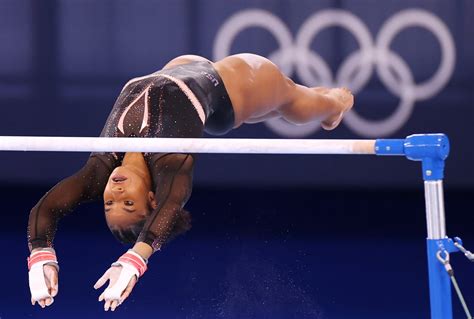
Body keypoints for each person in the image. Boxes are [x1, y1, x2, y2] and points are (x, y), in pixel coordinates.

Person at [26, 53, 353, 311]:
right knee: (297, 102)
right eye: (129, 203)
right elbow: (174, 201)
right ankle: (334, 107)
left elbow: (47, 208)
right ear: (152, 199)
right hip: (230, 90)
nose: (117, 191)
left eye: (110, 202)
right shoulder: (169, 161)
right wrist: (136, 259)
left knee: (281, 105)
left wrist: (41, 253)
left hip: (180, 70)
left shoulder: (100, 169)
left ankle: (318, 103)